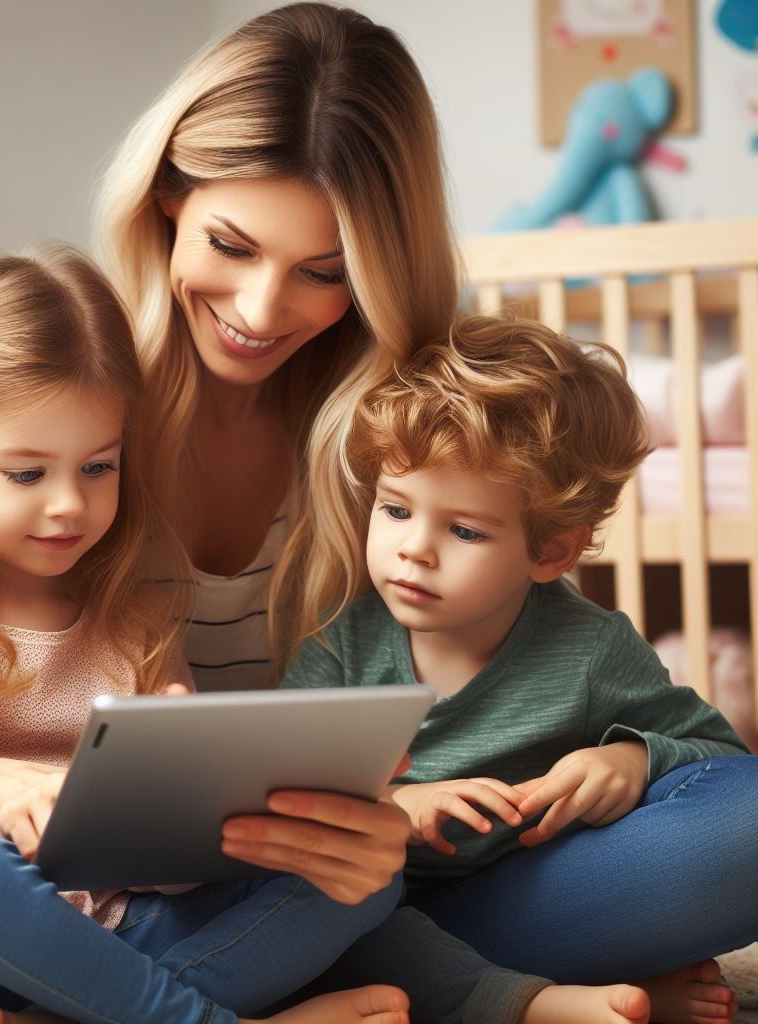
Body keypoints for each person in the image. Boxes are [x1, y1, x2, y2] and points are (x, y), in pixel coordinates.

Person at [0, 5, 728, 1022]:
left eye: (324, 272)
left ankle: (107, 1002)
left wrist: (383, 824)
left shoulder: (401, 426)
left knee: (720, 829)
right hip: (57, 906)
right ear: (165, 202)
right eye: (232, 244)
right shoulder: (70, 388)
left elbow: (516, 642)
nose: (264, 308)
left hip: (329, 879)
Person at [0, 245, 412, 1024]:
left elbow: (171, 876)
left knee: (368, 870)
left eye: (98, 468)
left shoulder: (133, 617)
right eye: (26, 474)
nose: (68, 506)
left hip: (115, 937)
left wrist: (194, 811)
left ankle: (78, 1014)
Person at [281, 314, 758, 1023]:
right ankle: (531, 1003)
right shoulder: (340, 644)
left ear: (552, 553)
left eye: (464, 530)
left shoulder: (591, 649)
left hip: (531, 903)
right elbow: (289, 800)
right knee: (317, 908)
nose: (414, 549)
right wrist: (399, 809)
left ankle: (528, 983)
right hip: (374, 915)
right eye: (395, 509)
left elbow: (716, 761)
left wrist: (630, 759)